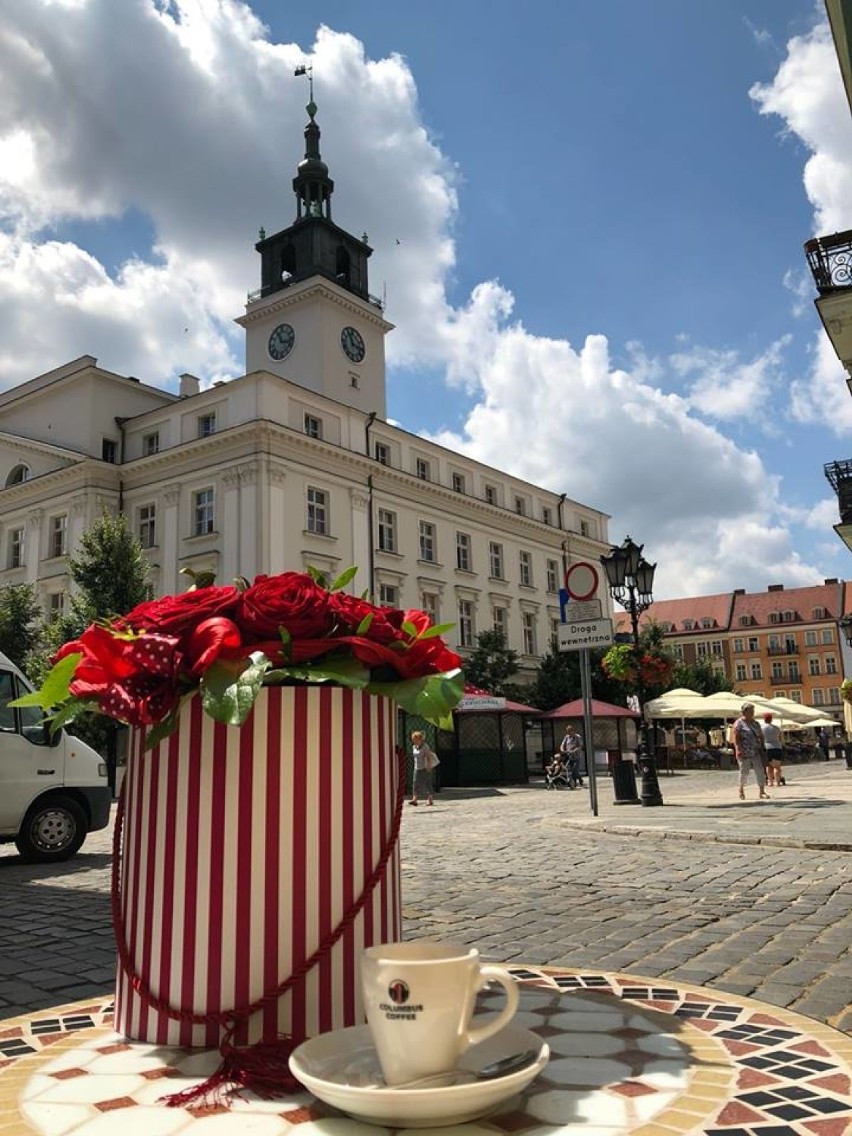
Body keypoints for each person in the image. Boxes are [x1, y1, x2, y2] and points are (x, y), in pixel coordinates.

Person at [732, 702, 769, 801]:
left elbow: (761, 735)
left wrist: (762, 746)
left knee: (760, 771)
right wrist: (738, 749)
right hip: (744, 752)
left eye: (753, 711)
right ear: (744, 712)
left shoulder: (755, 723)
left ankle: (762, 791)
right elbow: (736, 738)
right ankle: (741, 789)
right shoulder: (738, 723)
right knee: (744, 772)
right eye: (751, 711)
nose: (753, 712)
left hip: (756, 751)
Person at [409, 730, 438, 806]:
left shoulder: (425, 746)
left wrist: (428, 766)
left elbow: (428, 756)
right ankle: (414, 799)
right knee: (415, 783)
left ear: (420, 739)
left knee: (427, 783)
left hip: (425, 767)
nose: (414, 741)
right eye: (413, 740)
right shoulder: (414, 747)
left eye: (416, 740)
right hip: (417, 767)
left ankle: (430, 799)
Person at [760, 712, 786, 787]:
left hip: (767, 747)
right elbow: (780, 738)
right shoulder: (777, 728)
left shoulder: (761, 728)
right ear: (771, 719)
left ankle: (770, 782)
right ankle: (778, 782)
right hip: (777, 747)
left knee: (768, 766)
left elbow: (760, 738)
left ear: (764, 719)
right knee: (777, 767)